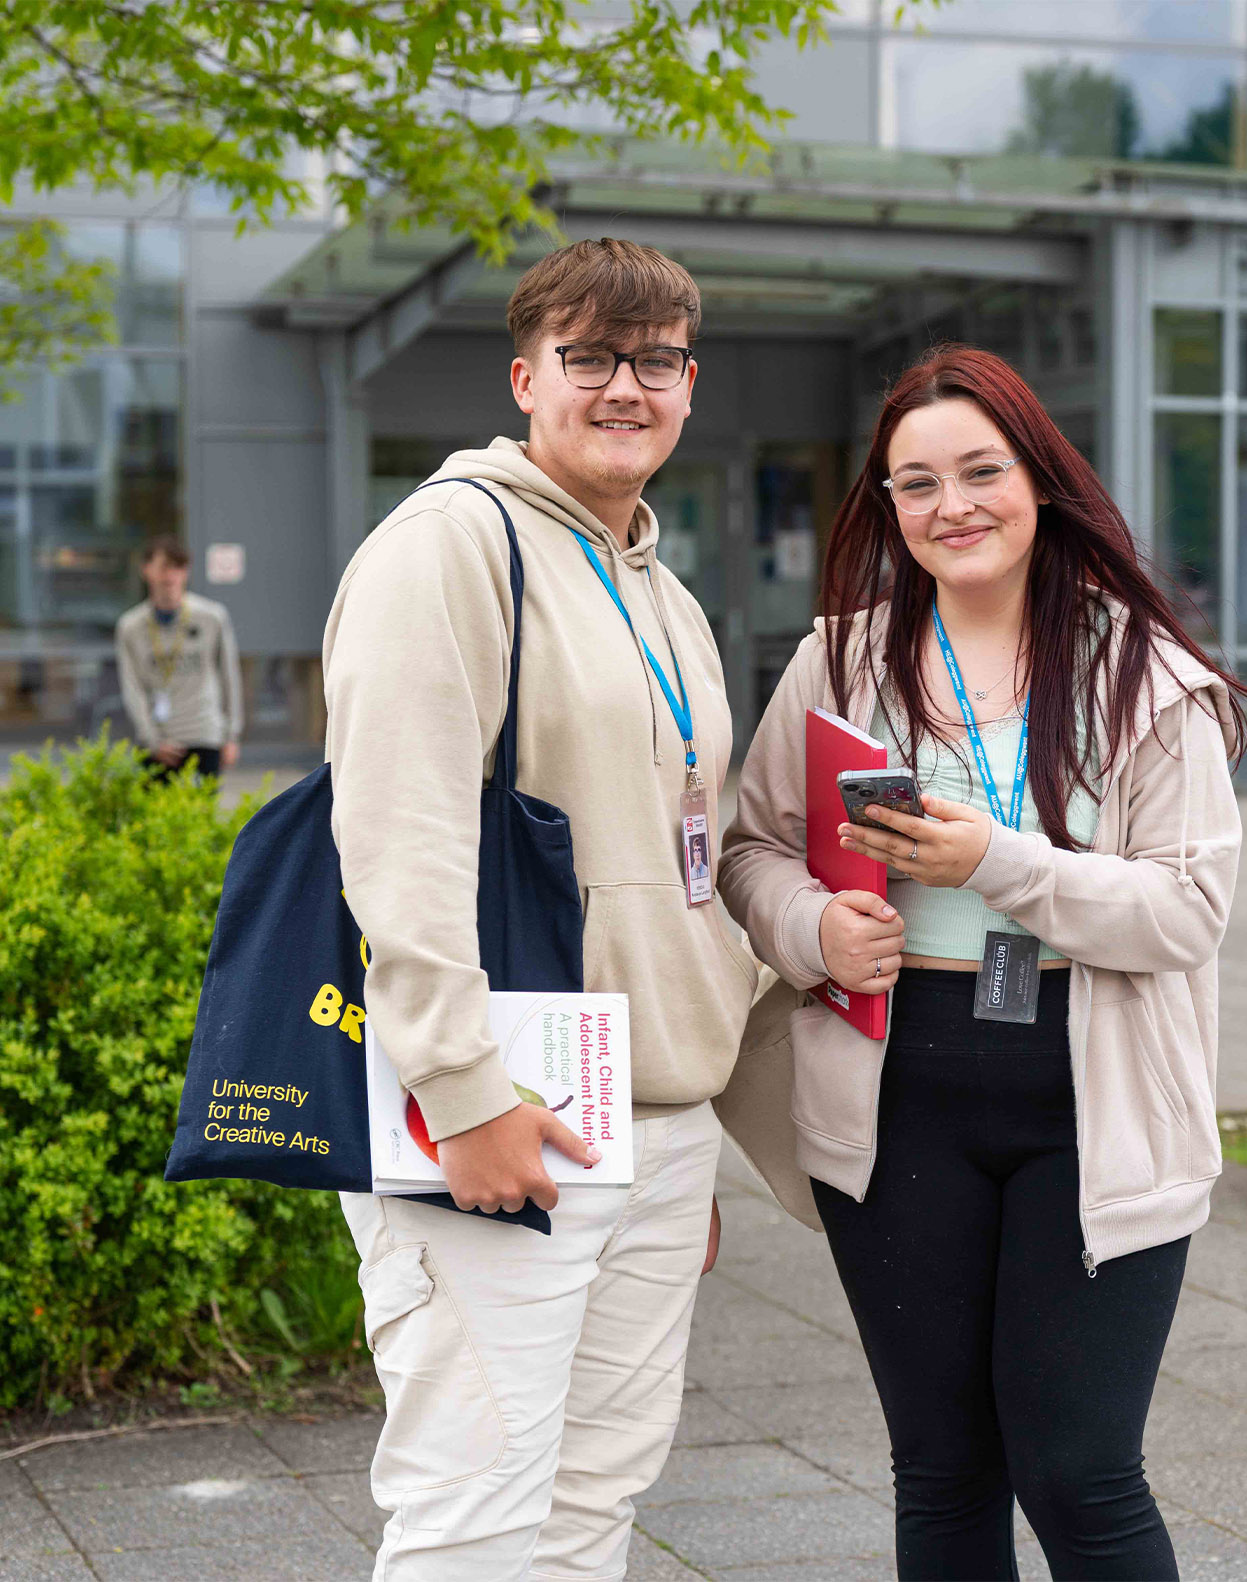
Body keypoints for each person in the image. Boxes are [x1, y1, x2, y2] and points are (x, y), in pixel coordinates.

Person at [720, 346, 1247, 1580]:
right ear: (886, 508)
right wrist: (812, 929)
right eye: (914, 485)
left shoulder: (1144, 677)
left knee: (1078, 1469)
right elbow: (751, 850)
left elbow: (1185, 911)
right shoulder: (839, 663)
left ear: (1040, 479)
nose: (949, 506)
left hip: (1092, 1091)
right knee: (942, 1468)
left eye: (978, 471)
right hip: (897, 1082)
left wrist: (996, 863)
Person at [323, 238, 763, 1579]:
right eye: (590, 357)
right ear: (527, 377)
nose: (625, 386)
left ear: (690, 384)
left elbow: (684, 864)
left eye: (657, 360)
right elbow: (396, 839)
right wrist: (460, 1091)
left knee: (591, 1506)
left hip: (651, 1122)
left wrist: (692, 1124)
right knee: (473, 1512)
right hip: (503, 1112)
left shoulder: (665, 591)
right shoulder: (450, 547)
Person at [115, 535, 242, 779]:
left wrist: (231, 735)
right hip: (159, 739)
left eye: (178, 567)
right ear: (146, 570)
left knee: (203, 813)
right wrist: (151, 739)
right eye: (163, 567)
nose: (170, 576)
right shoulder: (131, 627)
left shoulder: (212, 617)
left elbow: (229, 677)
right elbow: (132, 687)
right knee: (156, 813)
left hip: (204, 733)